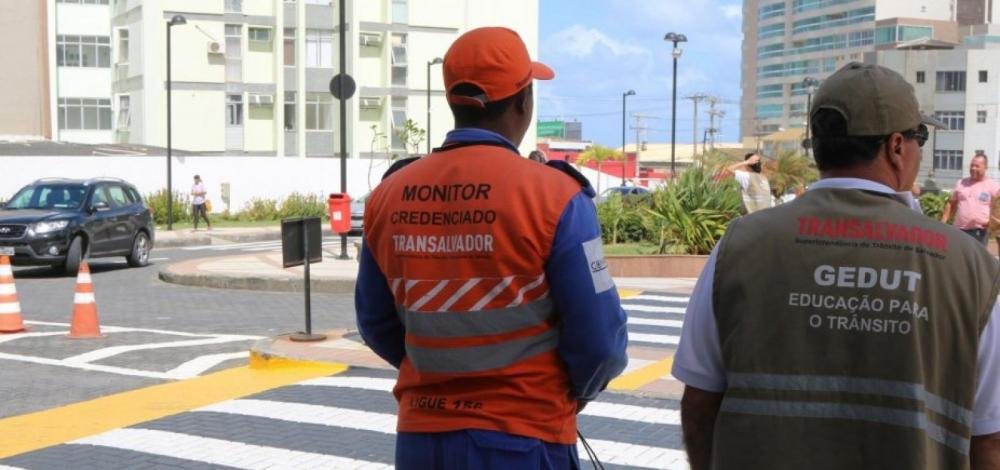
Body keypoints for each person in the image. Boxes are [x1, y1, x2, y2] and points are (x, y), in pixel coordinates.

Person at [672, 62, 1000, 470]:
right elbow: (989, 439)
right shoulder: (968, 266)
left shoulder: (739, 245)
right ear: (897, 147)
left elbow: (700, 403)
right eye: (921, 137)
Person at [355, 27, 628, 470]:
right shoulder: (556, 197)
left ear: (454, 101)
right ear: (524, 102)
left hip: (422, 441)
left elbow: (375, 322)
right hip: (526, 436)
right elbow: (600, 342)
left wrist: (440, 381)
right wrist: (570, 393)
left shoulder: (389, 196)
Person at [941, 153, 1000, 245]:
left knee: (976, 258)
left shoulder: (993, 186)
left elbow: (998, 209)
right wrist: (943, 222)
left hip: (980, 232)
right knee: (959, 257)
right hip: (959, 230)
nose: (973, 168)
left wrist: (992, 222)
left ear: (985, 167)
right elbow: (951, 204)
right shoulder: (961, 183)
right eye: (972, 165)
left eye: (977, 166)